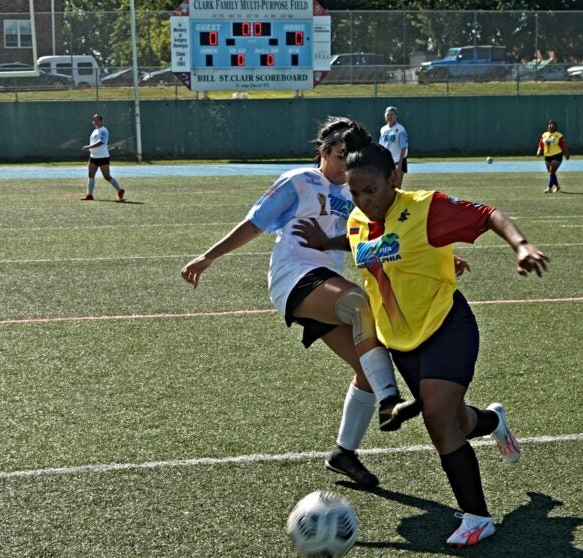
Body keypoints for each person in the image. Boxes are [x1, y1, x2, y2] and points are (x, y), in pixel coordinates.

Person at [294, 142, 548, 547]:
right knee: (457, 421)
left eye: (371, 190)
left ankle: (477, 517)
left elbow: (488, 215)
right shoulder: (360, 219)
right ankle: (492, 421)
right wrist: (327, 242)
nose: (363, 200)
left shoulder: (426, 208)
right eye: (355, 192)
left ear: (393, 178)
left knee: (437, 421)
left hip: (446, 326)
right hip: (403, 343)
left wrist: (520, 245)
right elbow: (362, 240)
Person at [180, 117, 420, 489]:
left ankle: (344, 453)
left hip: (328, 285)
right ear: (323, 152)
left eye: (351, 157)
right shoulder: (300, 181)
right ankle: (391, 402)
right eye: (341, 156)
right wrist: (208, 257)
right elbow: (255, 222)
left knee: (368, 369)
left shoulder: (357, 194)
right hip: (294, 277)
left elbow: (381, 239)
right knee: (360, 304)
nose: (345, 165)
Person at [81, 114, 125, 201]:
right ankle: (89, 195)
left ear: (101, 121)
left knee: (107, 176)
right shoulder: (95, 131)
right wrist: (90, 150)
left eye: (97, 120)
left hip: (103, 157)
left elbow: (101, 142)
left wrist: (89, 147)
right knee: (90, 175)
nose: (96, 122)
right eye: (94, 120)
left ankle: (120, 190)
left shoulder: (103, 130)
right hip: (93, 157)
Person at [378, 106, 409, 188]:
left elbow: (404, 147)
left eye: (392, 114)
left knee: (397, 187)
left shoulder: (400, 129)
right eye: (388, 114)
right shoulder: (383, 129)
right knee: (387, 186)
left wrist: (400, 163)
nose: (390, 117)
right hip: (386, 162)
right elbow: (381, 146)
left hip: (398, 161)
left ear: (396, 116)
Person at [536, 119, 570, 193]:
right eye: (549, 124)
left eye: (553, 124)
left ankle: (549, 188)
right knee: (551, 173)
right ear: (547, 126)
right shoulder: (544, 135)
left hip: (557, 155)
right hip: (547, 156)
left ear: (555, 127)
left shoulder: (559, 135)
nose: (551, 125)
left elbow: (563, 146)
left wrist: (566, 154)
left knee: (552, 171)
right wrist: (539, 151)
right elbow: (541, 144)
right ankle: (557, 187)